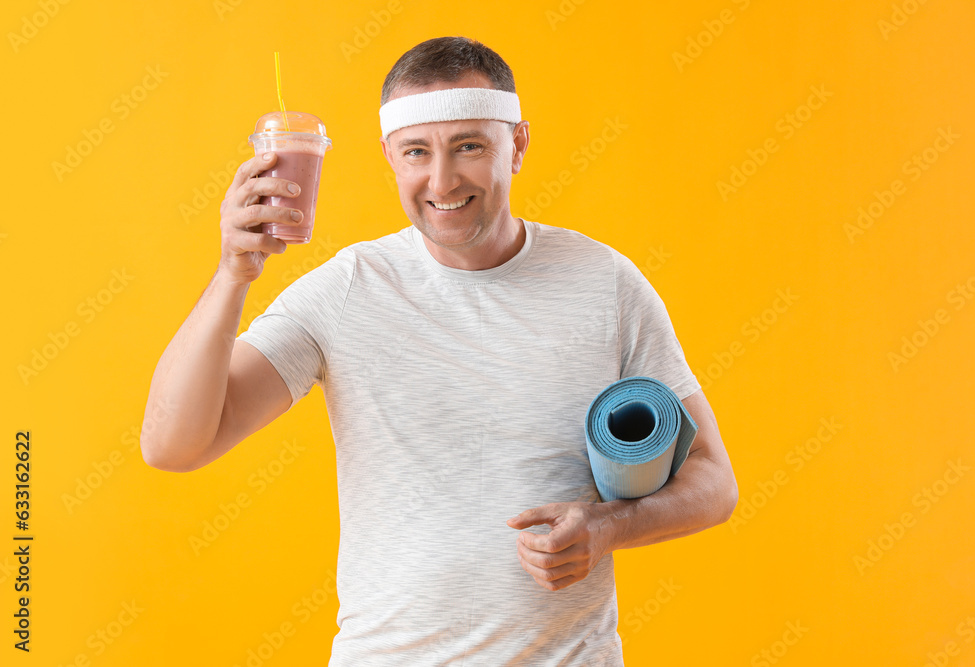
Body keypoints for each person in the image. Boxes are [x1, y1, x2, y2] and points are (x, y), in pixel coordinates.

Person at [141, 36, 738, 666]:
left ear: (519, 145)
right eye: (417, 152)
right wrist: (234, 272)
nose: (442, 180)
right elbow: (174, 443)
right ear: (389, 157)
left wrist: (606, 528)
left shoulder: (605, 284)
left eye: (470, 147)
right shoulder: (347, 289)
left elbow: (713, 480)